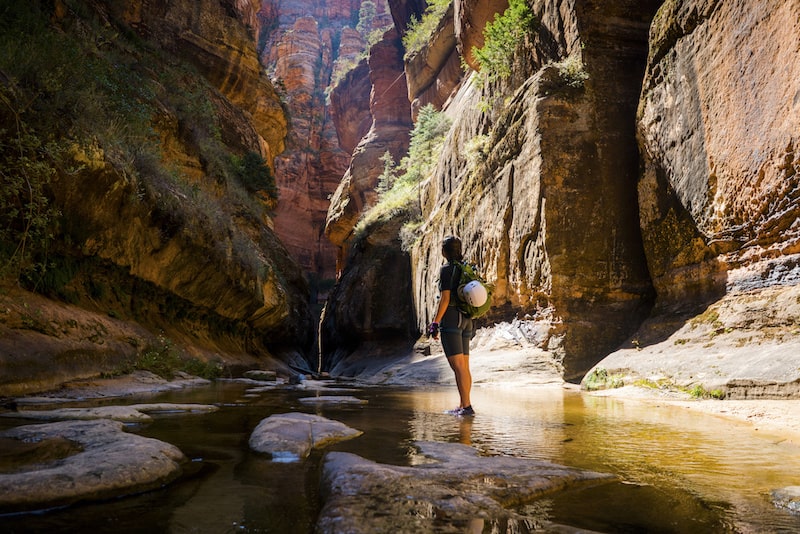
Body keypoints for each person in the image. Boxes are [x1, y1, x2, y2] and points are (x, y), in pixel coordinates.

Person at [428, 235, 475, 416]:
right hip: (466, 319)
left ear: (445, 251)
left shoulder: (447, 269)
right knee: (464, 365)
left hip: (452, 319)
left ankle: (466, 406)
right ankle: (464, 404)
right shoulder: (465, 268)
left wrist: (435, 322)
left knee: (458, 366)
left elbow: (445, 298)